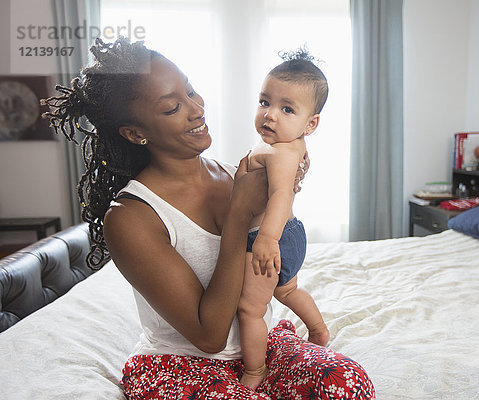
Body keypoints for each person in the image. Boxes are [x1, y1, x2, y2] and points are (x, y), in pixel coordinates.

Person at [42, 37, 375, 399]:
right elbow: (210, 335)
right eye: (172, 107)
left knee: (346, 382)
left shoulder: (237, 172)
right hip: (180, 364)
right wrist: (237, 215)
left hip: (257, 348)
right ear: (136, 134)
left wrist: (291, 174)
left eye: (191, 91)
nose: (196, 109)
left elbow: (277, 231)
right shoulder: (132, 217)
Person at [238, 49, 330, 389]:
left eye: (286, 108)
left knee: (250, 309)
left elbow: (281, 195)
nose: (270, 115)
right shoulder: (294, 146)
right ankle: (318, 329)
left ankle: (254, 371)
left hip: (270, 236)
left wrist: (265, 239)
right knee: (288, 290)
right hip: (290, 234)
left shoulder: (280, 153)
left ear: (311, 123)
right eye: (265, 102)